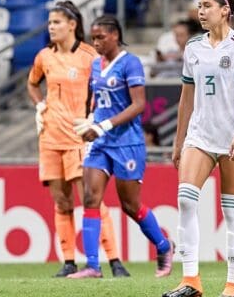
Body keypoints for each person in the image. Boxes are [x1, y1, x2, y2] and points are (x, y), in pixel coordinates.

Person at [164, 0, 234, 297]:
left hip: (233, 137)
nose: (201, 11)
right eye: (200, 6)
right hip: (201, 136)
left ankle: (233, 285)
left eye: (207, 5)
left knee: (231, 210)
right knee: (185, 200)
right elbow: (186, 99)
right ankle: (190, 281)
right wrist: (179, 141)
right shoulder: (193, 47)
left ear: (225, 10)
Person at [27, 1, 128, 278]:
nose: (51, 27)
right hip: (50, 138)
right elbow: (32, 82)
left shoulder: (89, 56)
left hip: (79, 138)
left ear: (72, 25)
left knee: (91, 199)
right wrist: (39, 105)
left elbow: (105, 88)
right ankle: (69, 261)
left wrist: (96, 118)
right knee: (61, 201)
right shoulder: (44, 57)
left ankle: (114, 260)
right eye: (50, 22)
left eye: (57, 22)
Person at [67, 15, 173, 279]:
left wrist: (103, 125)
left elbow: (139, 105)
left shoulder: (130, 63)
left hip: (127, 142)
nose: (96, 43)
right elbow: (96, 100)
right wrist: (90, 121)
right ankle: (93, 266)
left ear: (115, 35)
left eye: (100, 37)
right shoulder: (95, 65)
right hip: (101, 142)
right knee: (90, 198)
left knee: (130, 205)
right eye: (93, 38)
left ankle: (163, 245)